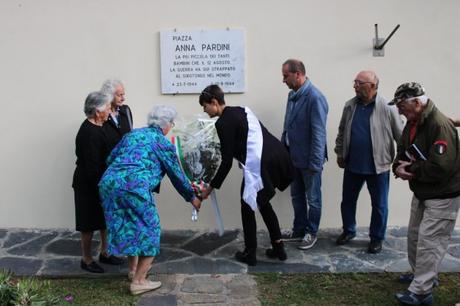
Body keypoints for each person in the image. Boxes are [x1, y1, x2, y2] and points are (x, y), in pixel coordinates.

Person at [99, 105, 201, 295]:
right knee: (150, 230)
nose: (172, 126)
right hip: (135, 187)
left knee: (131, 226)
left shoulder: (132, 135)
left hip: (109, 184)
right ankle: (139, 281)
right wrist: (192, 198)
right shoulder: (162, 143)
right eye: (172, 123)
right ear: (166, 125)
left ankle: (132, 271)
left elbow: (110, 158)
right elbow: (177, 175)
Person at [199, 85, 294, 266]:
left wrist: (210, 187)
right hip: (277, 156)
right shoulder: (241, 110)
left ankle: (250, 254)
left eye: (205, 106)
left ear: (214, 102)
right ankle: (279, 248)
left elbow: (226, 161)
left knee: (247, 205)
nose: (204, 110)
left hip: (262, 164)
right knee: (263, 203)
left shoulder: (222, 123)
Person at [391, 82, 460, 305]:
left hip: (442, 195)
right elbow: (402, 150)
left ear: (418, 103)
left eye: (402, 106)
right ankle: (421, 276)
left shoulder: (439, 125)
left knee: (430, 242)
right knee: (414, 237)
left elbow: (441, 167)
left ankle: (421, 292)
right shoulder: (412, 123)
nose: (399, 111)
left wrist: (410, 170)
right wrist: (397, 167)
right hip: (422, 191)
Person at [334, 70, 403, 253]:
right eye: (355, 82)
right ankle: (349, 230)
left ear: (372, 86)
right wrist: (340, 153)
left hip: (378, 166)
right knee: (347, 201)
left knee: (379, 205)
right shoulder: (350, 106)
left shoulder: (388, 108)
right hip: (352, 164)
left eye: (359, 83)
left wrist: (400, 161)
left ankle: (376, 238)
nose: (355, 86)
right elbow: (342, 131)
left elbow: (401, 137)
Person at [72, 91, 123, 273]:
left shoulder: (101, 124)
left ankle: (105, 253)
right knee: (88, 224)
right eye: (108, 108)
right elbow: (92, 167)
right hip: (89, 184)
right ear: (96, 111)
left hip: (102, 181)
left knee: (104, 221)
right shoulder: (89, 133)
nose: (110, 110)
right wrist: (101, 191)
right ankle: (86, 259)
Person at [280, 59, 329, 250]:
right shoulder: (293, 95)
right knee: (296, 196)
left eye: (286, 76)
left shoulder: (315, 97)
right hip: (293, 158)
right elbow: (288, 125)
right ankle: (299, 228)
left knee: (313, 199)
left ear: (298, 74)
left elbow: (319, 133)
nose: (283, 80)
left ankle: (311, 231)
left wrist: (315, 163)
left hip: (310, 161)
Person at [100, 78, 133, 151]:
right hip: (108, 160)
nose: (123, 98)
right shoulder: (101, 114)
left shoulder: (126, 110)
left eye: (123, 94)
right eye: (119, 95)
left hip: (124, 160)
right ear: (109, 96)